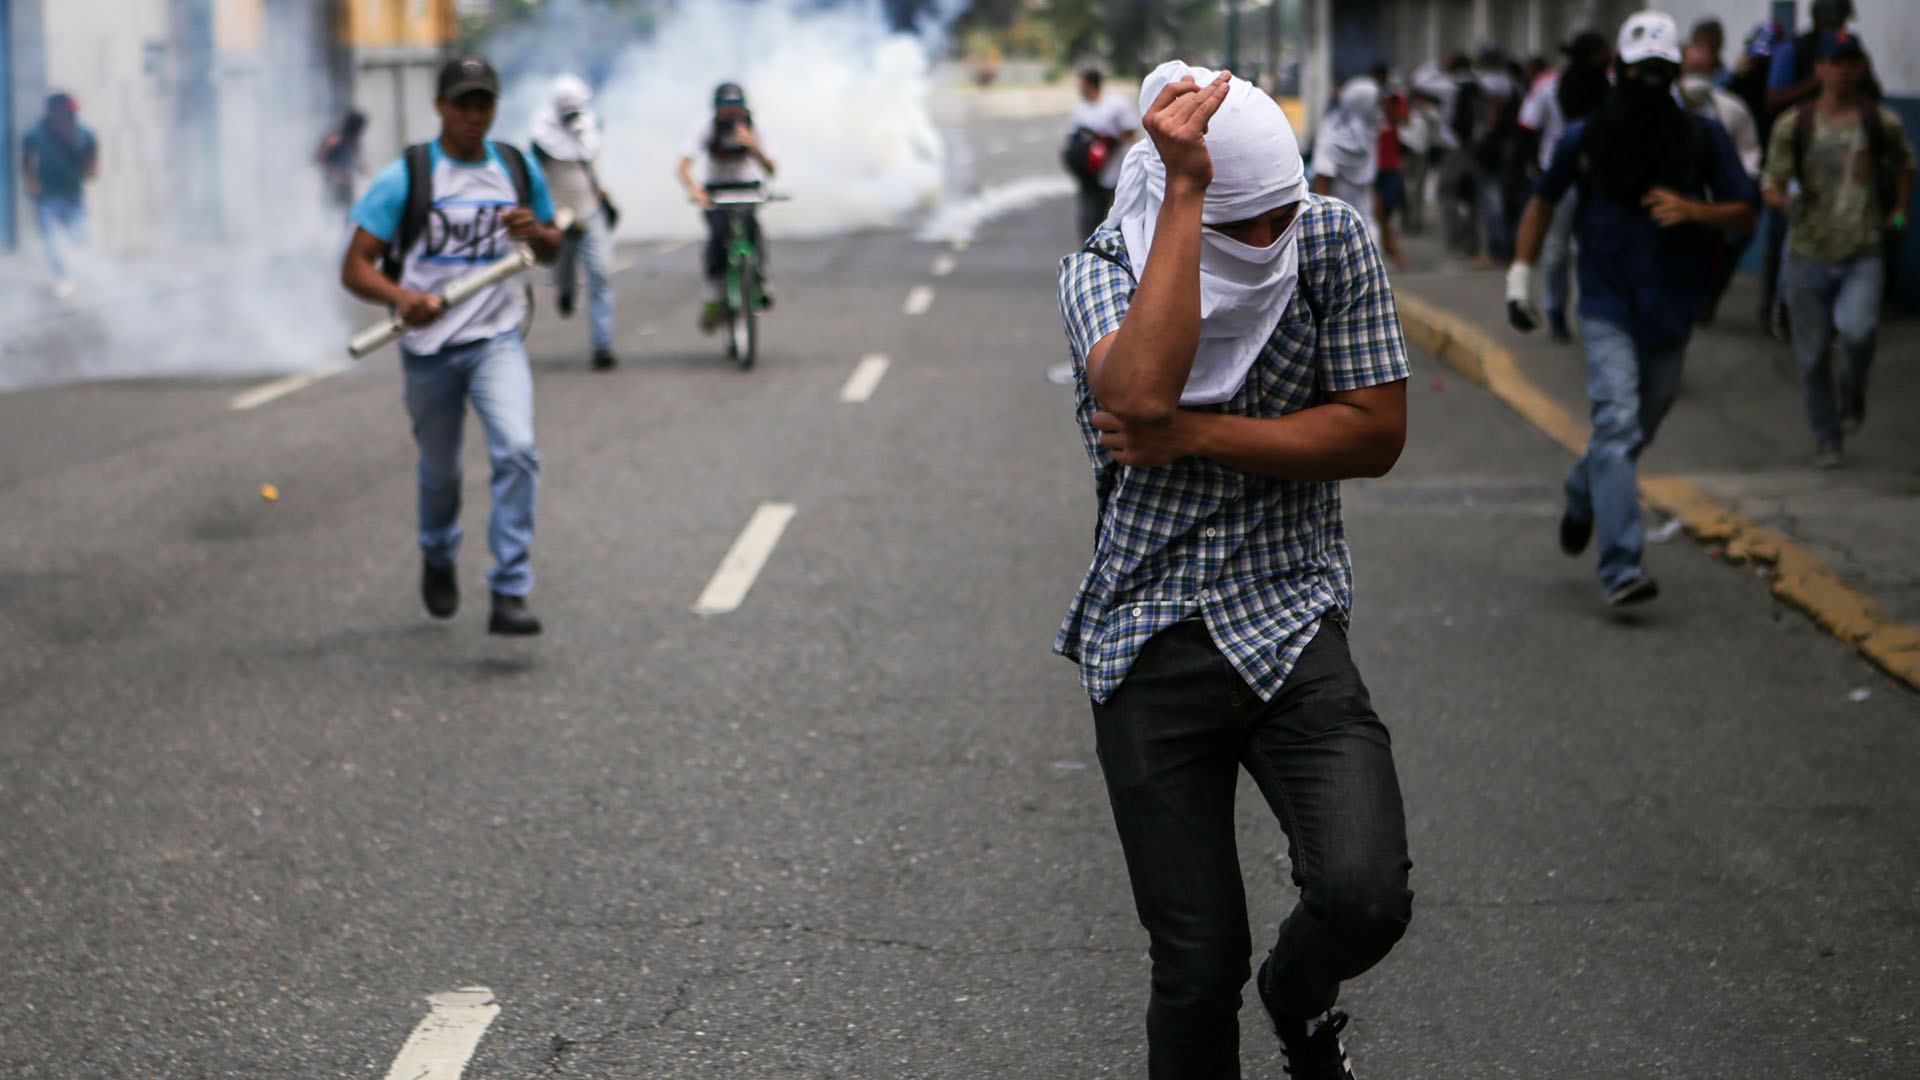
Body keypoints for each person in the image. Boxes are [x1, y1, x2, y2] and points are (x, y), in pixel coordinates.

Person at [1057, 61, 1413, 1080]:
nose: (1266, 244)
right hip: (1146, 634)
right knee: (1196, 965)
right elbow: (1137, 395)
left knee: (1364, 894)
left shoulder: (1331, 239)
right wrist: (1185, 193)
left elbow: (1376, 431)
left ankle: (1298, 998)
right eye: (1239, 226)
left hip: (1291, 615)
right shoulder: (1098, 272)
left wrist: (1200, 436)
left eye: (1277, 220)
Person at [1506, 11, 1758, 606]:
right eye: (1640, 70)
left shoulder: (1702, 136)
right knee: (1616, 422)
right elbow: (1542, 205)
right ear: (1619, 70)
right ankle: (1621, 566)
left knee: (1639, 424)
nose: (1650, 81)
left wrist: (1697, 212)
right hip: (1606, 301)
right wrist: (1520, 280)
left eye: (1662, 71)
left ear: (1674, 74)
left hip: (1672, 303)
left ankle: (1581, 487)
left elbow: (1745, 211)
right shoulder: (1584, 139)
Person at [340, 56, 563, 635]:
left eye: (483, 103)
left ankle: (510, 590)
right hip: (428, 350)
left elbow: (552, 245)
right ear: (440, 105)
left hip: (496, 339)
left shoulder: (514, 167)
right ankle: (438, 554)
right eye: (462, 103)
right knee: (441, 475)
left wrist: (536, 235)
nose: (473, 114)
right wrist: (401, 295)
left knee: (517, 450)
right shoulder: (408, 177)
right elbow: (355, 267)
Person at [1762, 31, 1915, 468]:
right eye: (1836, 61)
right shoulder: (1796, 124)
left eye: (1852, 62)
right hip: (1808, 253)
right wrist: (1784, 203)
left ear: (1862, 68)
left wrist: (1900, 210)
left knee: (1859, 332)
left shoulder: (1879, 122)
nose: (1844, 70)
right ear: (1820, 69)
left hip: (1862, 251)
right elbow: (1770, 184)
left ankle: (1853, 392)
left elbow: (1906, 163)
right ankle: (1828, 437)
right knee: (1811, 358)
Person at [1517, 30, 1612, 341]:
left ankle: (1594, 314)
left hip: (1598, 178)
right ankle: (1556, 310)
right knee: (1556, 251)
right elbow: (1528, 127)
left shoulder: (1609, 86)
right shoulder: (1549, 86)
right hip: (1557, 176)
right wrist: (1534, 169)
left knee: (1593, 248)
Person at [532, 75, 619, 371]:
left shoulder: (591, 126)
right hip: (559, 215)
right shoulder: (542, 138)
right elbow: (535, 177)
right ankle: (565, 292)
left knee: (601, 274)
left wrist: (602, 189)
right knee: (564, 269)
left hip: (590, 209)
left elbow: (591, 160)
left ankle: (603, 345)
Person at [679, 83, 777, 334]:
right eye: (726, 110)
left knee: (752, 228)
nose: (732, 116)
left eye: (736, 109)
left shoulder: (756, 126)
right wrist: (696, 192)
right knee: (718, 235)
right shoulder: (705, 126)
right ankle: (713, 295)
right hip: (716, 190)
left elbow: (771, 168)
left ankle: (760, 280)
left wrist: (754, 146)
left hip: (747, 187)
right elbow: (683, 166)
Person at [1680, 40, 1763, 326]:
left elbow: (1749, 156)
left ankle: (1708, 296)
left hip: (1718, 206)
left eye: (1703, 71)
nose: (1696, 78)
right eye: (1691, 69)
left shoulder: (1732, 111)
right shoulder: (1661, 109)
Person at [1311, 76, 1406, 267]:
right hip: (1337, 236)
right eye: (1375, 105)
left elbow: (1369, 192)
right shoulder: (1331, 139)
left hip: (1368, 234)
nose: (1379, 111)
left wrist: (1388, 238)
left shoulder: (1367, 138)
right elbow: (1320, 190)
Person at [20, 93, 98, 299]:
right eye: (67, 112)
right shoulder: (35, 134)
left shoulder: (83, 134)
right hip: (47, 199)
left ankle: (84, 276)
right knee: (52, 242)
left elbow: (93, 155)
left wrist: (90, 167)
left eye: (73, 113)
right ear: (53, 112)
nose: (71, 117)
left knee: (81, 240)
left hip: (73, 199)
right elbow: (27, 159)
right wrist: (31, 182)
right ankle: (63, 277)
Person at [1066, 69, 1140, 241]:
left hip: (1113, 173)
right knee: (1088, 219)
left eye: (1081, 83)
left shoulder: (1116, 104)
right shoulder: (1081, 108)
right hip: (1089, 174)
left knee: (1115, 219)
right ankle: (1089, 255)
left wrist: (1107, 143)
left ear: (1090, 84)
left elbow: (1130, 131)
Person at [315, 110, 367, 221]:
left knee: (347, 212)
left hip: (346, 183)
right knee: (331, 211)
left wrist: (361, 167)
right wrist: (334, 174)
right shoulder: (334, 139)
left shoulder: (353, 140)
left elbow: (355, 157)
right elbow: (320, 159)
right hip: (332, 183)